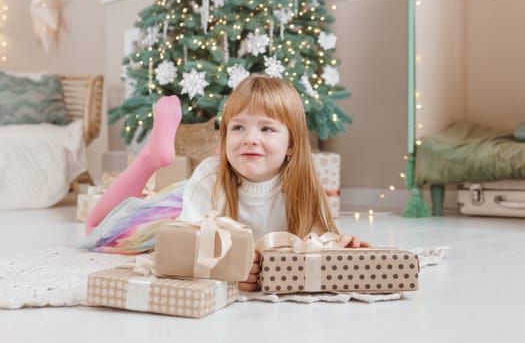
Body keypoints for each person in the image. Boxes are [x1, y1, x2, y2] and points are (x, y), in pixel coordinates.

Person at [85, 74, 370, 291]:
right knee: (97, 230)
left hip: (212, 191)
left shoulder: (303, 185)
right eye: (238, 127)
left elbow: (318, 245)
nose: (249, 137)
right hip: (183, 207)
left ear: (292, 144)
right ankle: (151, 157)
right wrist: (223, 268)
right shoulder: (209, 176)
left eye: (267, 128)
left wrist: (343, 247)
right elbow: (178, 247)